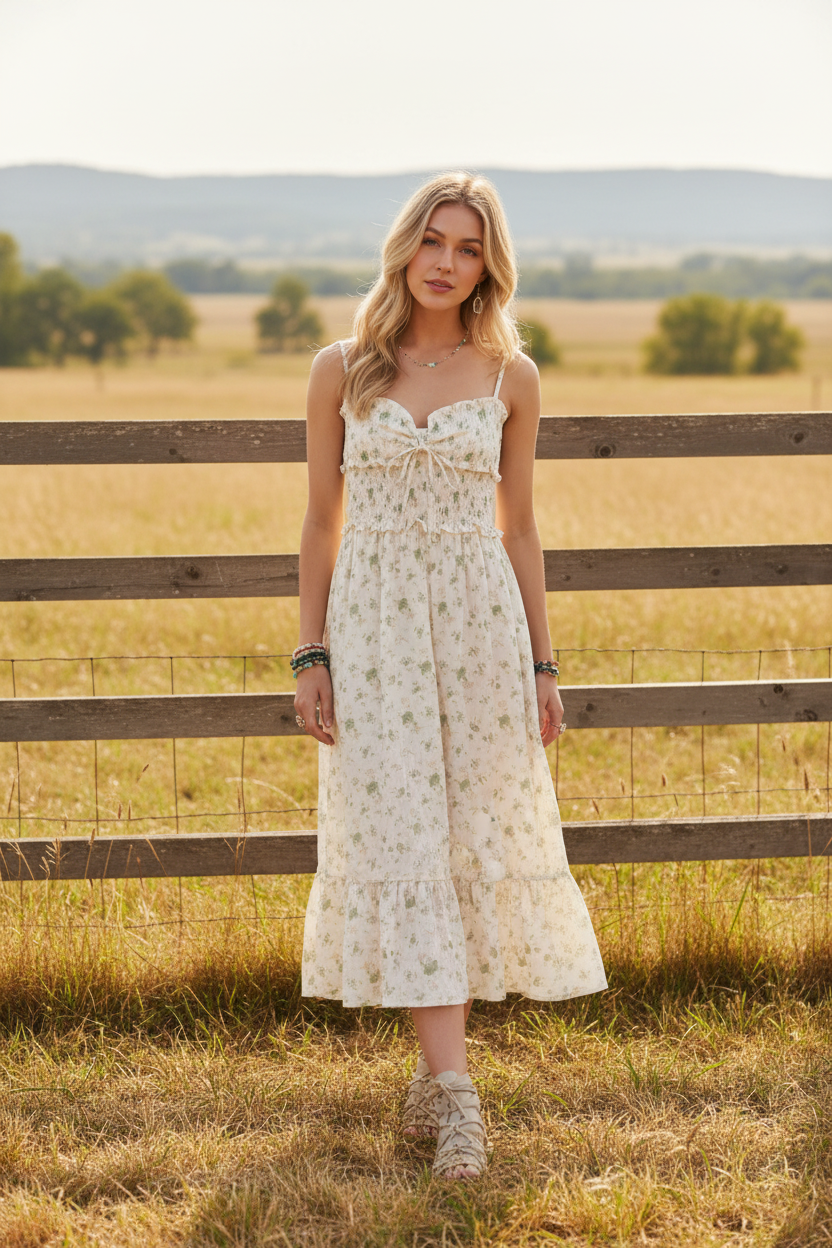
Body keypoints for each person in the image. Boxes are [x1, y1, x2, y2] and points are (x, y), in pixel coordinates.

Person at [293, 171, 607, 1180]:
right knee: (405, 834)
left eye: (467, 248)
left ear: (488, 264)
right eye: (433, 240)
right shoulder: (341, 369)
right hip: (375, 632)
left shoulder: (512, 376)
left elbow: (521, 526)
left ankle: (440, 1078)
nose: (445, 262)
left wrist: (544, 663)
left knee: (469, 839)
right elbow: (317, 521)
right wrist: (311, 652)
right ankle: (457, 1096)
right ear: (404, 248)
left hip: (479, 630)